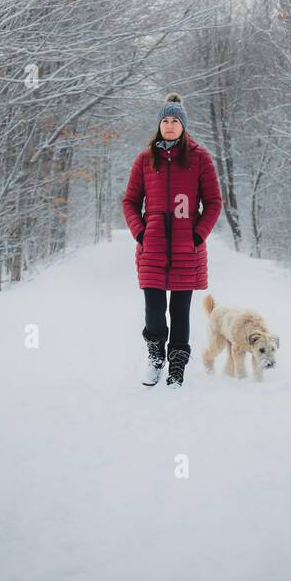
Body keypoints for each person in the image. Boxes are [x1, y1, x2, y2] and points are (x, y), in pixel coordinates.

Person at [121, 93, 223, 388]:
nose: (169, 126)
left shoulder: (200, 158)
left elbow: (214, 202)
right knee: (154, 312)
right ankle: (155, 359)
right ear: (159, 125)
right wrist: (140, 232)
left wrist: (197, 234)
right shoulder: (144, 159)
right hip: (151, 247)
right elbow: (129, 201)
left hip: (186, 250)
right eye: (165, 121)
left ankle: (176, 367)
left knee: (180, 312)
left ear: (183, 126)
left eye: (174, 121)